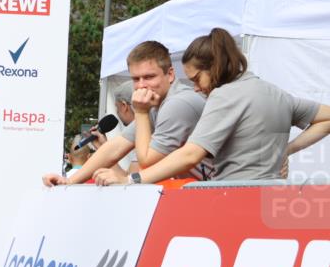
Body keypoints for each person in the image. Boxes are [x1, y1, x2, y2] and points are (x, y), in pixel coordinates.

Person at [96, 28, 330, 185]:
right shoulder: (274, 92)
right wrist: (286, 150)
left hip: (234, 196)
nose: (196, 88)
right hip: (273, 194)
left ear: (214, 67)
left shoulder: (224, 96)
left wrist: (130, 180)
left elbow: (189, 155)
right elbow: (326, 118)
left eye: (197, 79)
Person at [43, 41, 208, 187]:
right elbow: (115, 148)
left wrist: (141, 112)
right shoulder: (156, 103)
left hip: (221, 188)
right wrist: (70, 181)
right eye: (136, 79)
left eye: (149, 77)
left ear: (170, 74)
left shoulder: (178, 103)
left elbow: (147, 160)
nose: (142, 86)